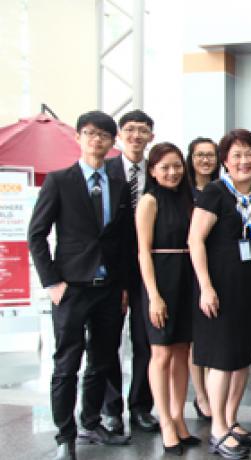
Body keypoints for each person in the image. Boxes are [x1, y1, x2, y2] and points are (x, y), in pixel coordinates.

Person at [28, 111, 132, 459]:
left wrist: (123, 286)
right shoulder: (59, 181)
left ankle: (91, 421)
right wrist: (53, 283)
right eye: (90, 133)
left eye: (104, 135)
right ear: (78, 137)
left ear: (111, 142)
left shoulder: (119, 184)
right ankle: (64, 435)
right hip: (71, 288)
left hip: (108, 288)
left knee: (102, 360)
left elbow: (122, 238)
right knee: (66, 363)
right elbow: (37, 235)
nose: (97, 140)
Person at [188, 129, 251, 459]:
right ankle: (218, 428)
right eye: (236, 155)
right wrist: (206, 287)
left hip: (248, 289)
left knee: (242, 358)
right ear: (225, 160)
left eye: (250, 154)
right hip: (218, 290)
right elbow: (195, 241)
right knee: (221, 360)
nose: (244, 161)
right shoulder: (214, 194)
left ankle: (232, 420)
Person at [135, 142, 200, 455]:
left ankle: (178, 416)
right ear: (152, 171)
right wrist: (153, 296)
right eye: (165, 167)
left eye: (177, 166)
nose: (173, 172)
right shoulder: (149, 201)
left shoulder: (190, 198)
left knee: (181, 352)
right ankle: (164, 421)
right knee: (160, 353)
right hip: (160, 279)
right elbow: (142, 252)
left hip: (187, 279)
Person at [102, 109, 160, 434]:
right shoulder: (105, 171)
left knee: (145, 342)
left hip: (146, 273)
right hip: (111, 274)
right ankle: (111, 408)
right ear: (120, 135)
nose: (136, 135)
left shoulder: (157, 171)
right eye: (130, 129)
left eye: (143, 130)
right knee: (109, 342)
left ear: (151, 135)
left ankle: (140, 406)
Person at [184, 136, 220, 421]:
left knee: (211, 333)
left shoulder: (222, 190)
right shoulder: (182, 190)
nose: (206, 160)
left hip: (215, 270)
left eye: (210, 155)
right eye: (200, 155)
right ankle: (200, 394)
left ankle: (213, 390)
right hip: (186, 271)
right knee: (195, 338)